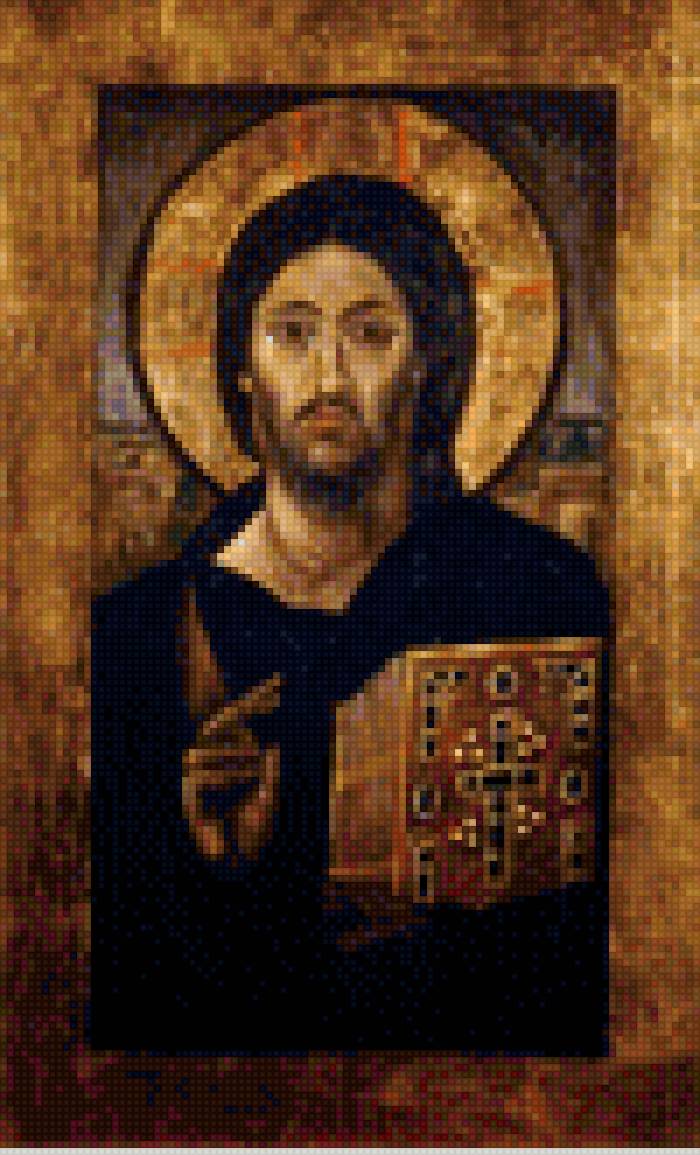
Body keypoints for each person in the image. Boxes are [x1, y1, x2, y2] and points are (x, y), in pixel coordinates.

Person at [91, 176, 609, 1054]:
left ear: (427, 362)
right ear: (242, 368)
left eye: (370, 334)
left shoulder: (537, 591)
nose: (329, 375)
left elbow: (578, 947)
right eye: (292, 333)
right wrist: (203, 855)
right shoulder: (136, 635)